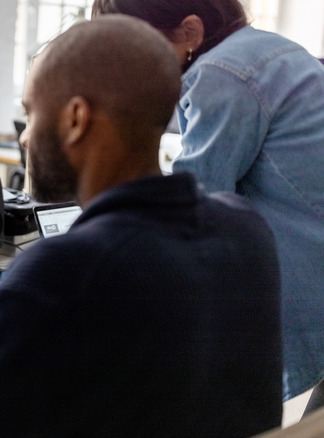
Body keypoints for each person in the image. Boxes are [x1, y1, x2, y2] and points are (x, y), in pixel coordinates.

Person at [0, 15, 282, 437]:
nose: (23, 138)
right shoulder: (247, 230)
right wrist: (12, 325)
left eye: (31, 114)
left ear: (75, 118)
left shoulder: (60, 274)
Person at [91, 0, 324, 404]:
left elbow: (189, 208)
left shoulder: (221, 73)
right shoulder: (269, 49)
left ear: (191, 32)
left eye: (137, 49)